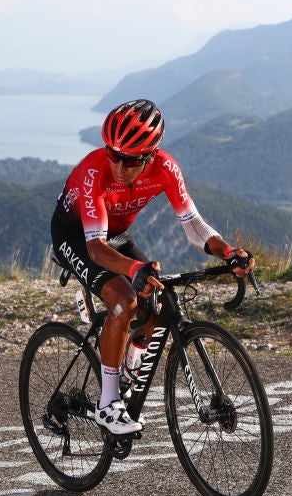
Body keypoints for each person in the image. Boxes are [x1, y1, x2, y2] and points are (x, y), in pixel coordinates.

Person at [50, 99, 255, 435]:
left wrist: (229, 251)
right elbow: (96, 249)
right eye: (112, 154)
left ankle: (128, 368)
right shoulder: (93, 172)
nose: (118, 166)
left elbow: (193, 225)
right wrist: (132, 270)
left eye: (129, 160)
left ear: (149, 156)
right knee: (124, 300)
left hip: (116, 235)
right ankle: (107, 403)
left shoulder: (165, 168)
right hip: (78, 237)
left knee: (156, 301)